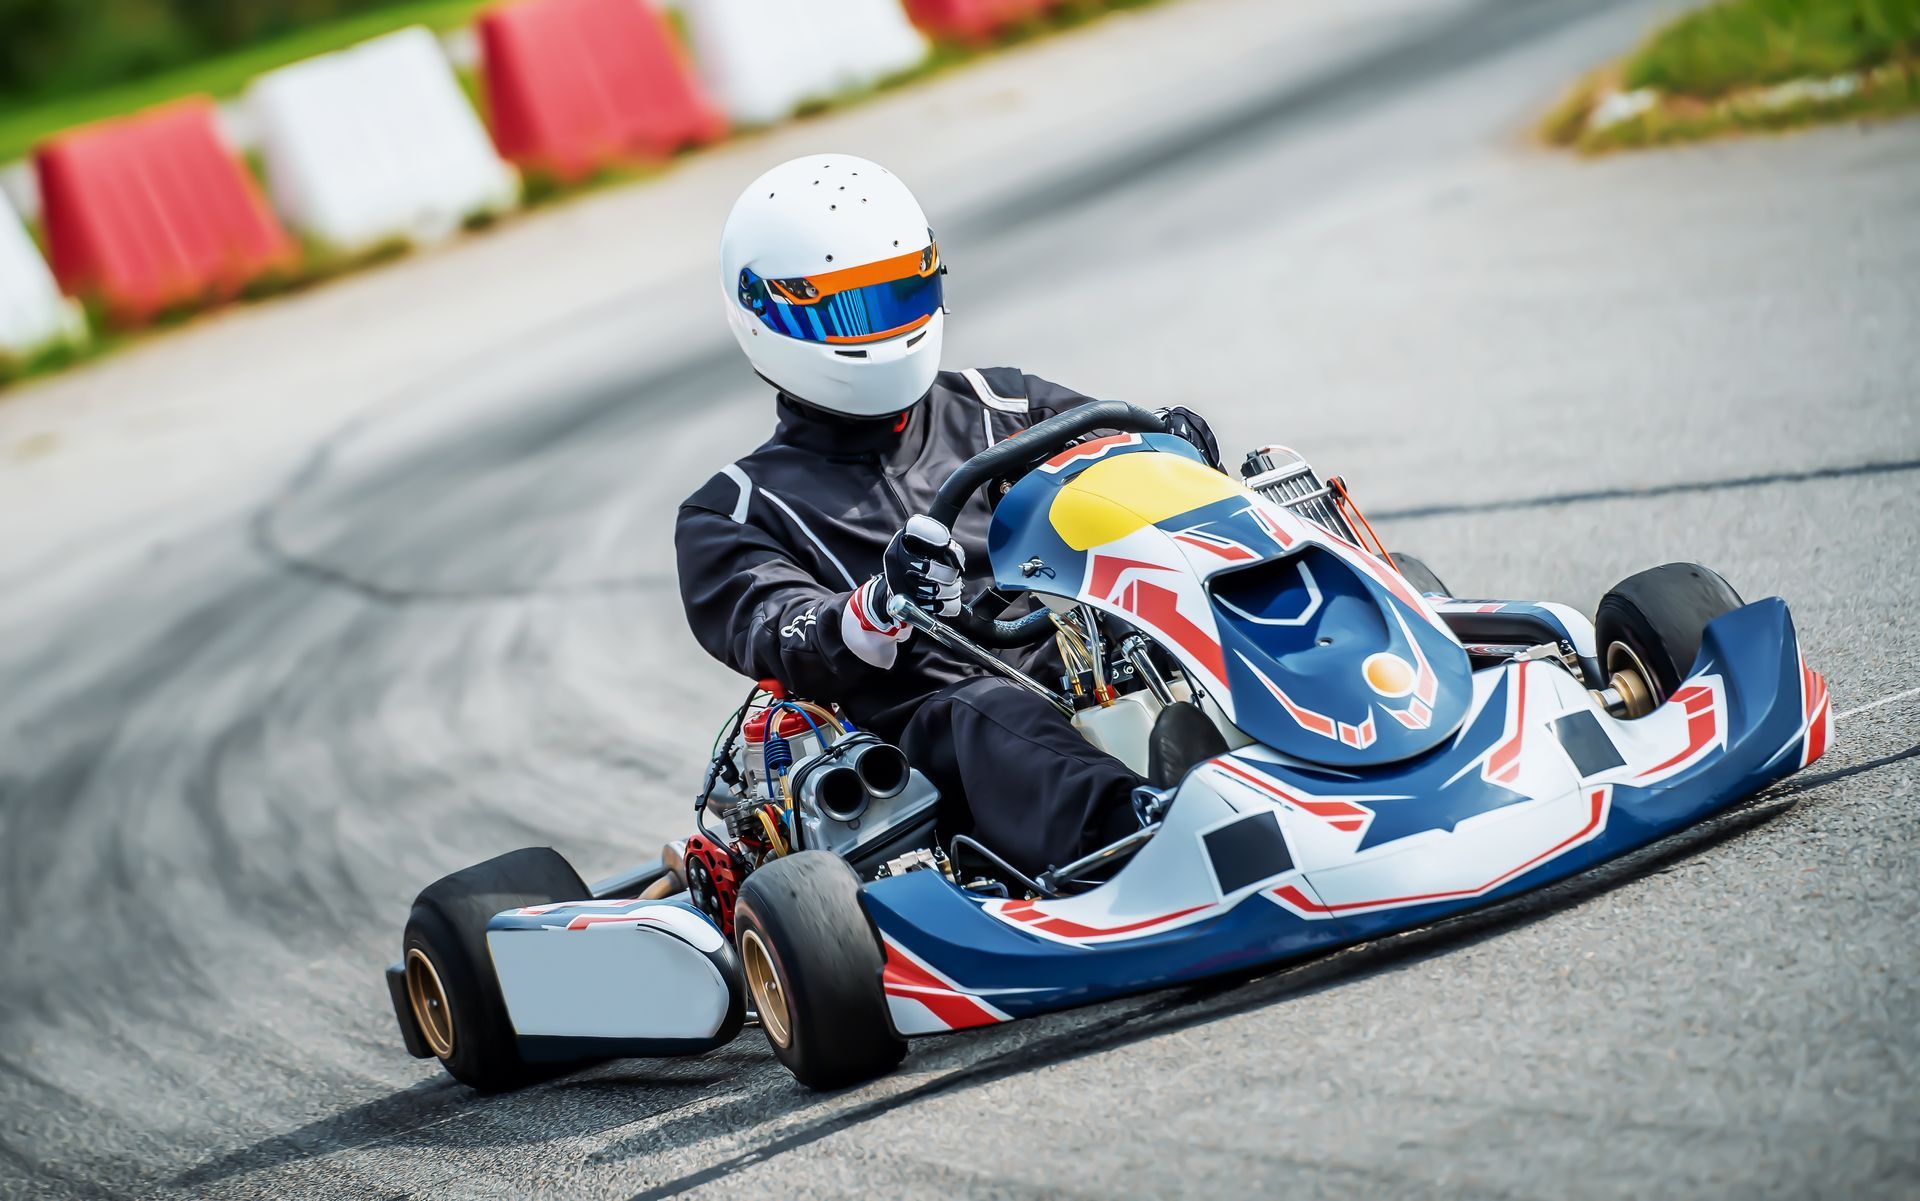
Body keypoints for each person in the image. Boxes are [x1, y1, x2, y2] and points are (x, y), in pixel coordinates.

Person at [676, 154, 1220, 877]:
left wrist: (1173, 460)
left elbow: (1125, 481)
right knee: (985, 709)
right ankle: (1143, 831)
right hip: (928, 737)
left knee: (1198, 607)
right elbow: (779, 626)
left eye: (900, 294)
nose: (883, 330)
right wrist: (877, 606)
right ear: (766, 314)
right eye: (850, 309)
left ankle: (1334, 737)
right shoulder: (735, 512)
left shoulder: (1007, 406)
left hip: (1081, 657)